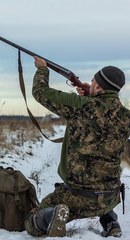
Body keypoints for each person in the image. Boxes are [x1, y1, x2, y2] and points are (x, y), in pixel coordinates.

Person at [24, 56, 130, 238]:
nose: (90, 83)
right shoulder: (126, 116)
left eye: (93, 81)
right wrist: (92, 95)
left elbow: (41, 92)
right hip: (110, 195)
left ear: (98, 86)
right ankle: (111, 222)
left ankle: (53, 215)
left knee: (31, 222)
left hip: (77, 196)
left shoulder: (80, 106)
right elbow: (103, 111)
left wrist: (42, 69)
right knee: (103, 198)